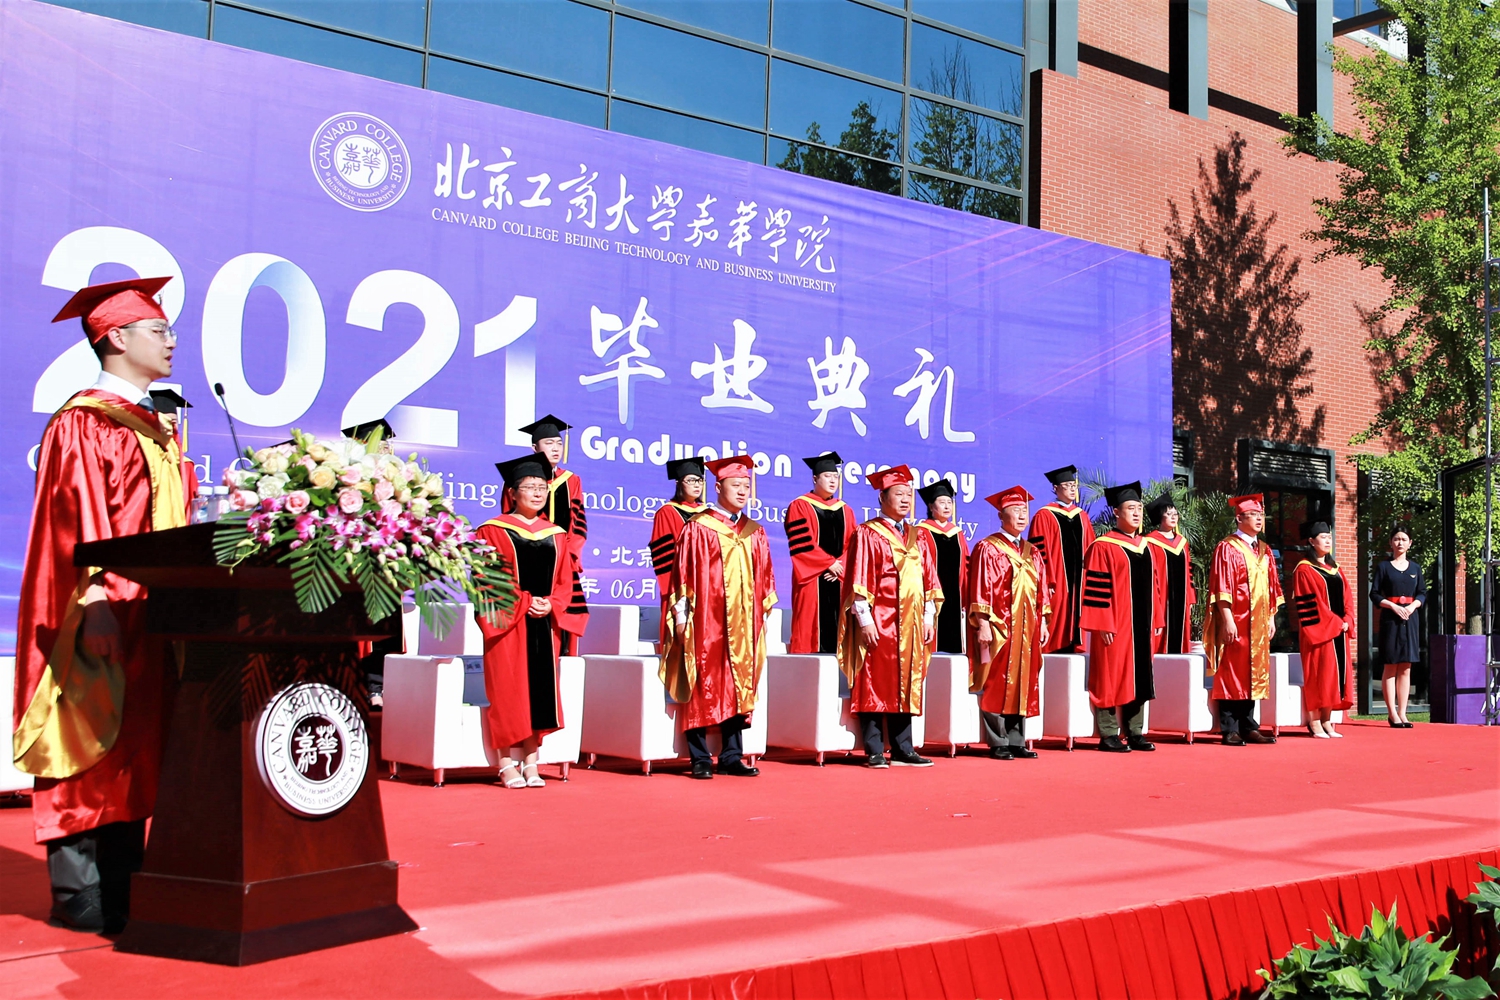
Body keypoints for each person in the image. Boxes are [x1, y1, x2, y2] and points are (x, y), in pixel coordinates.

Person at [14, 276, 187, 933]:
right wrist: (96, 600)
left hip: (149, 611)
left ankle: (123, 876)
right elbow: (80, 521)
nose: (170, 342)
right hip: (98, 609)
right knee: (85, 731)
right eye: (158, 331)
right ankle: (77, 888)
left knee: (134, 738)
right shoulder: (85, 421)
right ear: (116, 337)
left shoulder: (154, 426)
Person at [474, 454, 589, 788]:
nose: (538, 493)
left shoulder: (556, 534)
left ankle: (531, 762)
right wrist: (525, 602)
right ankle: (505, 763)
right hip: (508, 624)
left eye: (542, 487)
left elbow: (566, 580)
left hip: (544, 622)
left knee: (540, 692)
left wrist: (552, 604)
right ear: (512, 492)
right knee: (508, 691)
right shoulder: (491, 531)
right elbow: (487, 581)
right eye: (530, 487)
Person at [662, 456, 777, 779]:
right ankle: (699, 757)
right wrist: (681, 616)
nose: (742, 491)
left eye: (746, 486)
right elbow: (682, 576)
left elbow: (765, 579)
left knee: (739, 683)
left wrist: (761, 617)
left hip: (745, 624)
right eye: (735, 485)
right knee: (702, 680)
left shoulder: (755, 532)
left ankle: (731, 755)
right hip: (706, 622)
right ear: (717, 487)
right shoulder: (698, 527)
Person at [838, 465, 942, 768]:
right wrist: (865, 619)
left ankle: (903, 748)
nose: (906, 499)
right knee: (873, 680)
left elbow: (929, 580)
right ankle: (873, 749)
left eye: (908, 494)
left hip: (911, 623)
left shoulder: (918, 536)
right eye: (898, 494)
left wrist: (928, 616)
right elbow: (859, 577)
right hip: (880, 620)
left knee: (907, 681)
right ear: (882, 498)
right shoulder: (868, 533)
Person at [966, 486, 1050, 760]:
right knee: (997, 681)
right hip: (1000, 628)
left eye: (1025, 510)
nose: (1022, 515)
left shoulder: (1032, 551)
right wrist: (983, 624)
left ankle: (1017, 740)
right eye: (1016, 510)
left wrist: (1043, 622)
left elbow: (1042, 590)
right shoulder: (988, 548)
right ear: (1001, 516)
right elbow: (980, 588)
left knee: (1024, 681)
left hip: (1028, 629)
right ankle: (997, 740)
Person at [1079, 482, 1163, 752]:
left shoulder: (1147, 546)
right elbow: (1095, 590)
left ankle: (1135, 732)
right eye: (1130, 508)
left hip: (1143, 625)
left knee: (1140, 675)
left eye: (1139, 508)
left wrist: (1157, 620)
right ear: (1116, 512)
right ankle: (1108, 733)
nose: (1137, 513)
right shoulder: (1102, 546)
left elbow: (1156, 586)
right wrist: (1102, 623)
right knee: (1110, 675)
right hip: (1115, 624)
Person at [1204, 494, 1284, 746]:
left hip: (1258, 624)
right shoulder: (1227, 548)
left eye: (1261, 515)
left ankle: (1249, 726)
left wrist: (1271, 618)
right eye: (1253, 515)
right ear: (1239, 518)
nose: (1259, 519)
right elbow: (1221, 586)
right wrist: (1227, 619)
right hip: (1236, 620)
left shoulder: (1265, 550)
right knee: (1232, 672)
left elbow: (1272, 587)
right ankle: (1230, 729)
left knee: (1254, 673)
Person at [784, 452, 856, 654]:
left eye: (835, 477)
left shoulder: (846, 510)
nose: (833, 481)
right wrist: (828, 563)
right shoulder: (800, 505)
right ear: (815, 479)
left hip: (839, 579)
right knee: (811, 632)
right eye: (827, 476)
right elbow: (801, 544)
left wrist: (841, 566)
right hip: (813, 580)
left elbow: (853, 545)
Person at [1292, 517, 1354, 738]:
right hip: (1319, 632)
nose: (1328, 541)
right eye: (1323, 537)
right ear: (1311, 541)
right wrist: (1337, 623)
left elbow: (1347, 597)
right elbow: (1311, 605)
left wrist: (1348, 619)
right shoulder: (1304, 569)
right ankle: (1315, 721)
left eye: (1329, 537)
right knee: (1319, 676)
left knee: (1334, 676)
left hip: (1338, 631)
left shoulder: (1336, 569)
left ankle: (1327, 720)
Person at [1030, 464, 1096, 653]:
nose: (1072, 489)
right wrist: (1047, 581)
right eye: (1067, 485)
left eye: (1074, 485)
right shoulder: (1044, 515)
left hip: (1079, 581)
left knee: (1077, 616)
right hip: (1056, 581)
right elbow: (1038, 552)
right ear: (1055, 488)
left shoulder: (1082, 517)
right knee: (1057, 616)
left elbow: (1091, 548)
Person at [648, 457, 708, 651]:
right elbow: (663, 556)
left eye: (699, 480)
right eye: (691, 480)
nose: (696, 485)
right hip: (680, 586)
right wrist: (674, 591)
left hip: (708, 586)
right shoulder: (667, 512)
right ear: (679, 483)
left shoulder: (709, 513)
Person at [1370, 526, 1425, 728]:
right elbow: (1374, 593)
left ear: (1410, 543)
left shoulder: (1415, 568)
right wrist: (1393, 606)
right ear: (1391, 543)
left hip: (1410, 619)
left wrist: (1412, 607)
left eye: (1404, 539)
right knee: (1391, 665)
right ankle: (1392, 713)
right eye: (1396, 539)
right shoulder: (1384, 567)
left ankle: (1403, 713)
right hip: (1390, 620)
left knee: (1406, 666)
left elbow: (1422, 593)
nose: (1400, 542)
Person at [917, 478, 969, 654]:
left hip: (955, 598)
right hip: (931, 595)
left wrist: (966, 596)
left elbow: (965, 566)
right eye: (942, 502)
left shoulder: (958, 533)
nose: (947, 506)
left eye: (949, 502)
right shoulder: (922, 531)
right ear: (931, 507)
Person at [1145, 492, 1195, 655]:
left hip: (1181, 599)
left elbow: (1189, 570)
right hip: (1161, 598)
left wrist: (1190, 598)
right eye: (1168, 514)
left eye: (1175, 513)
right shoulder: (1149, 542)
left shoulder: (1182, 542)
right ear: (1160, 517)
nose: (1174, 517)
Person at [148, 388, 198, 512]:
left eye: (174, 422)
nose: (171, 428)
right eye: (166, 421)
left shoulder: (186, 466)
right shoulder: (140, 456)